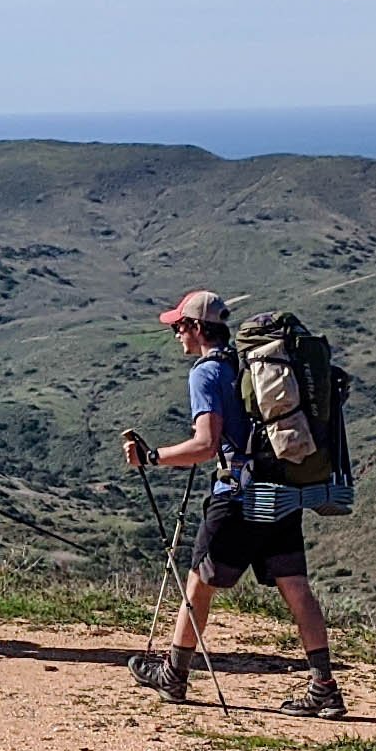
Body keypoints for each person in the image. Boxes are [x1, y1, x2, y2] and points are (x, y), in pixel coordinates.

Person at [118, 290, 344, 718]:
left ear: (198, 328)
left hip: (237, 496)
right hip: (279, 489)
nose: (176, 335)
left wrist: (153, 457)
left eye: (179, 327)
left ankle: (175, 675)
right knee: (295, 586)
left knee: (198, 583)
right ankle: (325, 687)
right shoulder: (251, 364)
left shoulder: (206, 373)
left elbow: (206, 444)